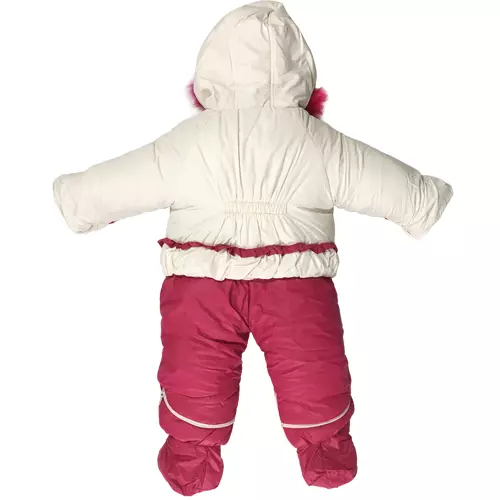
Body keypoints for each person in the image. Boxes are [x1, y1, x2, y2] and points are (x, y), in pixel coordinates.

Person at [53, 1, 453, 496]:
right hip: (295, 280)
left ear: (212, 68)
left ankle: (190, 457)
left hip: (201, 281)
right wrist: (423, 201)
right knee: (312, 368)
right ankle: (326, 450)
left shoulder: (189, 141)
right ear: (296, 70)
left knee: (194, 372)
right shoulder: (316, 141)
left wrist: (77, 199)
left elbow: (130, 177)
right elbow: (375, 177)